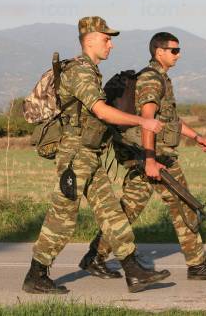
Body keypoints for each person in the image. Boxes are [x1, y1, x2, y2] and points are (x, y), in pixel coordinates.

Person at [22, 17, 171, 294]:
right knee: (63, 216)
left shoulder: (90, 70)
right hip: (75, 156)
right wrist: (142, 122)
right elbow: (100, 111)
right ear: (90, 39)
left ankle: (133, 271)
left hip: (87, 153)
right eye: (107, 39)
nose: (111, 45)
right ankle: (36, 274)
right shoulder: (80, 71)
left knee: (111, 212)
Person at [79, 32, 206, 281]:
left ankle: (94, 257)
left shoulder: (160, 78)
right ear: (158, 52)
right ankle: (198, 265)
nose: (178, 54)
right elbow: (148, 121)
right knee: (184, 205)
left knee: (128, 209)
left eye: (178, 50)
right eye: (174, 50)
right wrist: (150, 160)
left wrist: (196, 136)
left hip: (148, 156)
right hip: (156, 158)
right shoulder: (152, 79)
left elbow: (169, 120)